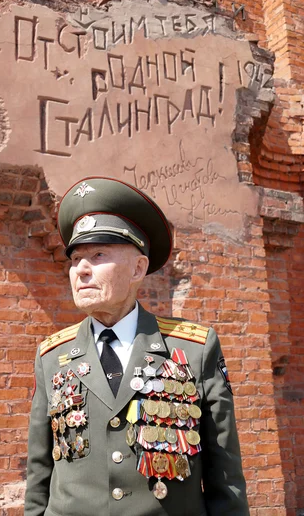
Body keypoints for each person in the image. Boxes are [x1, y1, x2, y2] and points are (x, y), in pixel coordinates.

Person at [24, 177, 249, 516]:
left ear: (138, 268)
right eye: (75, 259)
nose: (81, 270)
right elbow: (39, 475)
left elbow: (226, 477)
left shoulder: (193, 349)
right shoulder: (52, 356)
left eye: (98, 254)